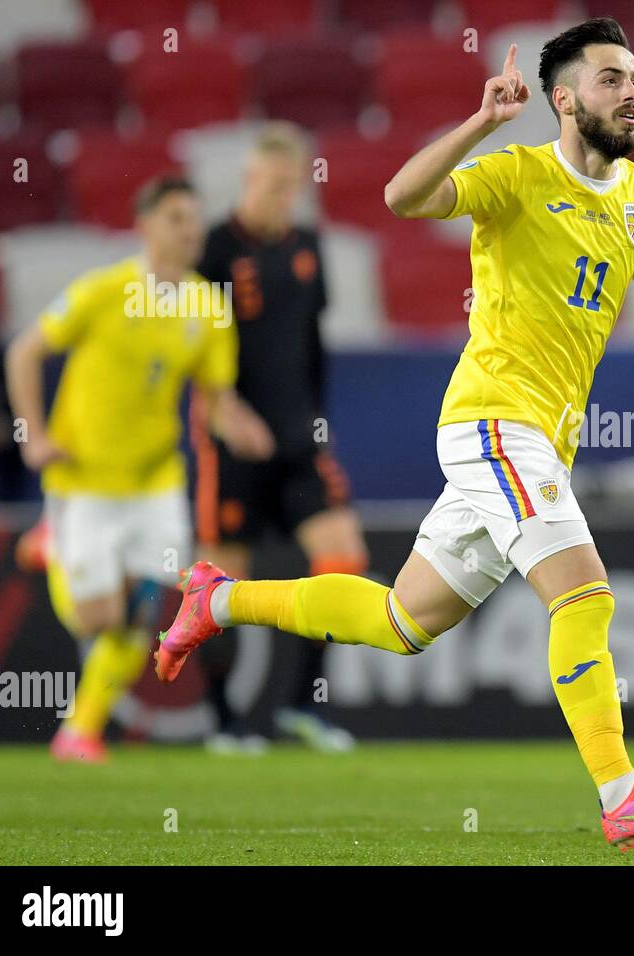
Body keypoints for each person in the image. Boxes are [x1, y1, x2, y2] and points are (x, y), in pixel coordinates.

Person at [155, 18, 634, 852]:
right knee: (585, 593)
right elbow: (402, 197)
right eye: (611, 78)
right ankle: (621, 790)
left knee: (401, 621)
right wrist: (483, 122)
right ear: (562, 99)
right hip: (493, 420)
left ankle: (218, 599)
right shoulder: (516, 173)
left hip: (540, 441)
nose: (631, 90)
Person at [4, 175, 273, 761]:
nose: (190, 230)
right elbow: (24, 351)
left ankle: (79, 731)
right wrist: (34, 437)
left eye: (195, 218)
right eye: (176, 218)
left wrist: (240, 424)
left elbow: (216, 397)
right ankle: (53, 545)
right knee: (95, 618)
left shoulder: (207, 304)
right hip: (85, 481)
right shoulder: (104, 291)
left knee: (141, 616)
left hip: (156, 481)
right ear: (145, 225)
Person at [193, 122, 364, 754]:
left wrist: (318, 423)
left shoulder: (308, 246)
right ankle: (223, 719)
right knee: (219, 583)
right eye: (271, 186)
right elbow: (193, 350)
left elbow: (313, 344)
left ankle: (301, 705)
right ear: (248, 180)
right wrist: (224, 412)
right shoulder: (213, 249)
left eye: (291, 188)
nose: (281, 199)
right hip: (234, 446)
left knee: (342, 558)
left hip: (299, 443)